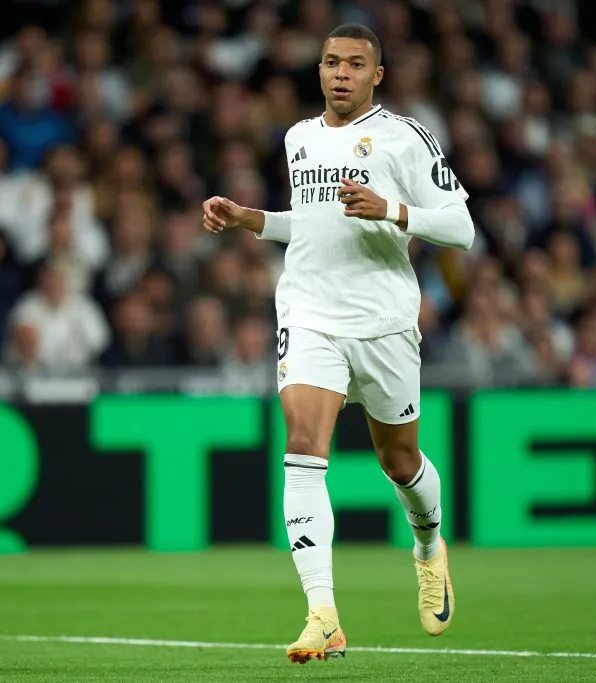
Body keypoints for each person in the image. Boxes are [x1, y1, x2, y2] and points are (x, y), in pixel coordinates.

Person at [201, 23, 474, 664]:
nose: (340, 73)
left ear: (377, 74)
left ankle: (429, 545)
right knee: (302, 447)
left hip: (383, 322)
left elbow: (461, 226)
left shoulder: (405, 138)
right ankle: (322, 613)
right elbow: (313, 223)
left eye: (355, 63)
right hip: (310, 312)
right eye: (330, 62)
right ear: (319, 71)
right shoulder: (299, 138)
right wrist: (252, 220)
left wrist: (394, 211)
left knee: (399, 461)